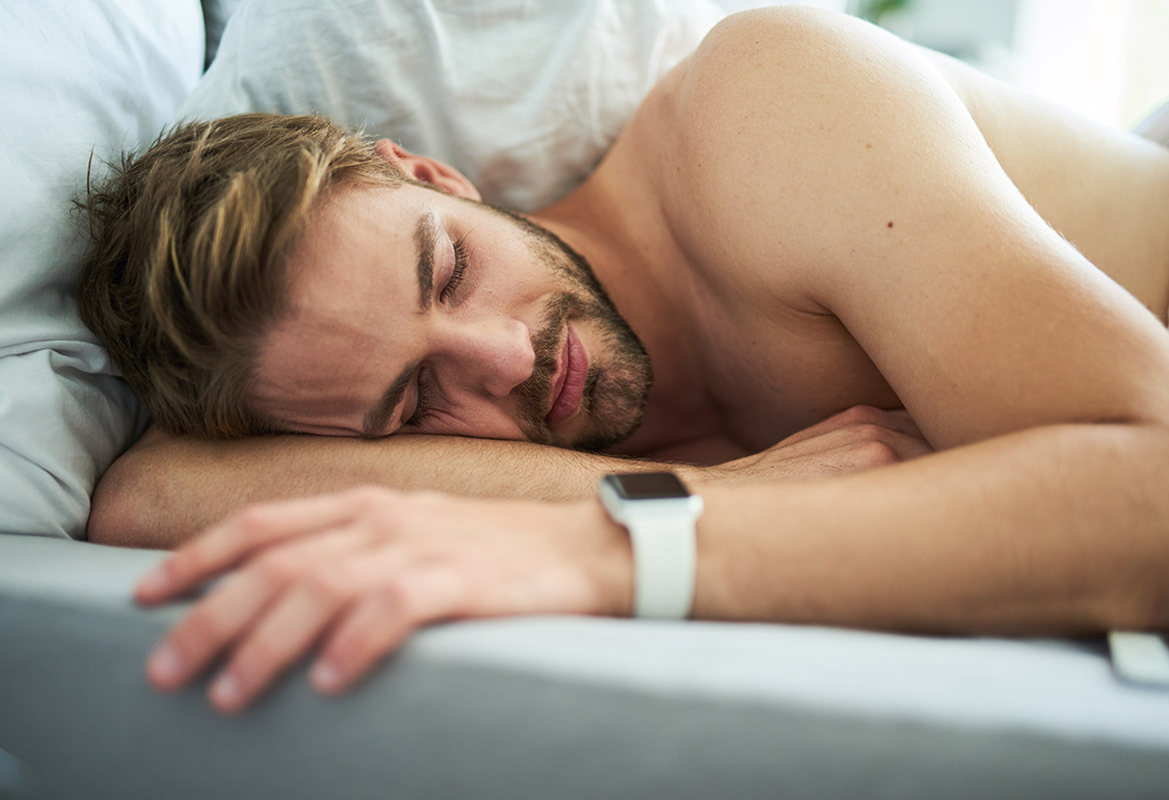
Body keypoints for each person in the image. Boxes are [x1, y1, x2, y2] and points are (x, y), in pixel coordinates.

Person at [78, 6, 1169, 714]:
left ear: (431, 173)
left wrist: (613, 547)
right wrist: (722, 492)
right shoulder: (443, 420)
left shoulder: (769, 108)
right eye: (416, 399)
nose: (506, 357)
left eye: (450, 270)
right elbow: (147, 497)